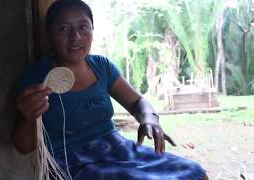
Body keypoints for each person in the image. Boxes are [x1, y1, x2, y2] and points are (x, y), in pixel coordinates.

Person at [12, 0, 208, 179]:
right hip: (73, 164)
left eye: (83, 27)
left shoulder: (101, 66)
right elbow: (24, 147)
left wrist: (150, 118)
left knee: (195, 173)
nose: (76, 37)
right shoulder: (37, 78)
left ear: (92, 30)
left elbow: (137, 102)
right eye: (64, 29)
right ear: (50, 35)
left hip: (117, 149)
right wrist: (27, 117)